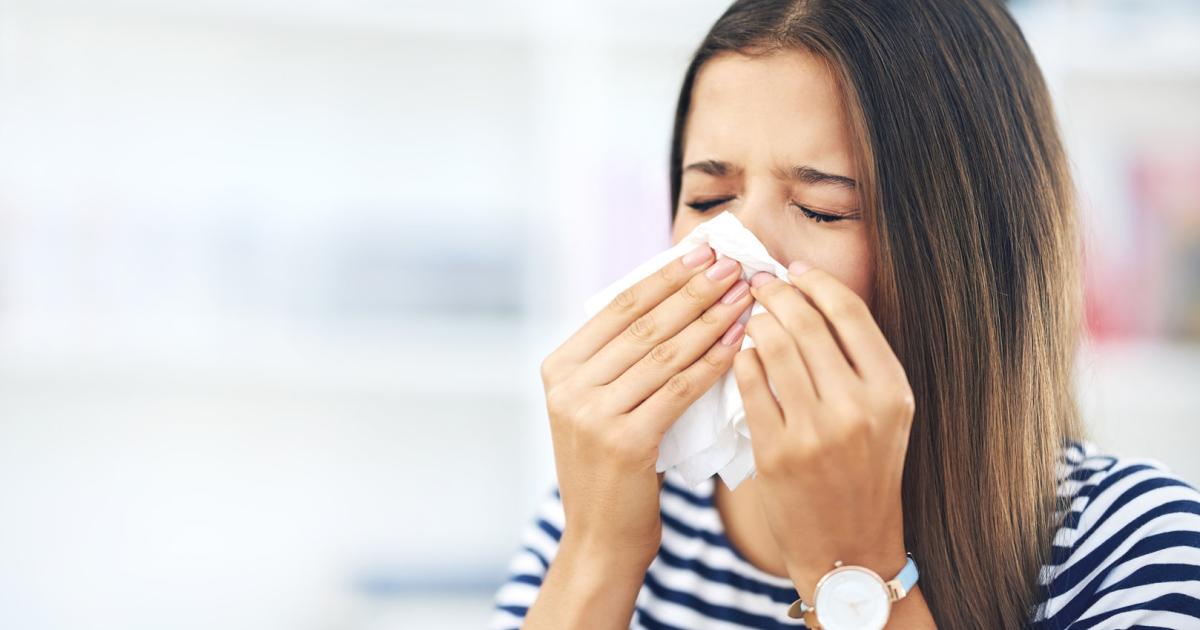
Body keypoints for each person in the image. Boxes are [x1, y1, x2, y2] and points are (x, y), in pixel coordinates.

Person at [488, 0, 1200, 628]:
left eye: (823, 208)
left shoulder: (1140, 549)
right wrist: (596, 554)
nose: (738, 250)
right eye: (707, 200)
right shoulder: (615, 502)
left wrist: (853, 570)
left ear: (966, 252)